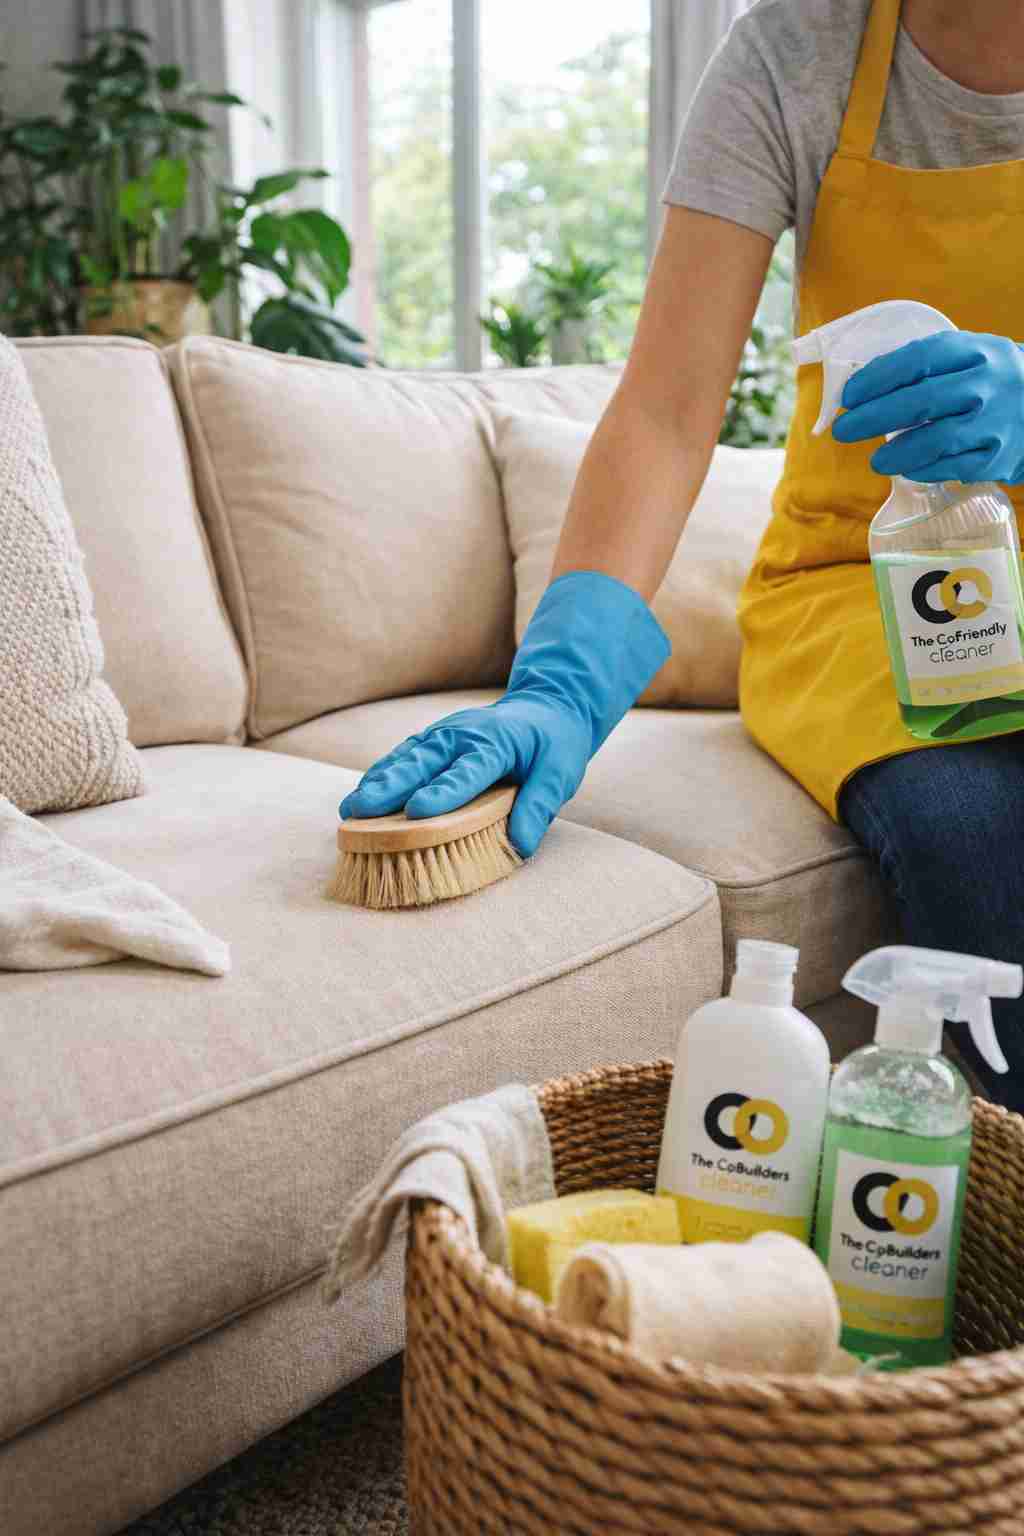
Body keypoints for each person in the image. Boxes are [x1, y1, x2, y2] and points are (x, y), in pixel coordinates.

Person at [342, 0, 1024, 1111]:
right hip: (858, 585)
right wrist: (559, 681)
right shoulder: (796, 53)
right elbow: (666, 407)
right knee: (974, 830)